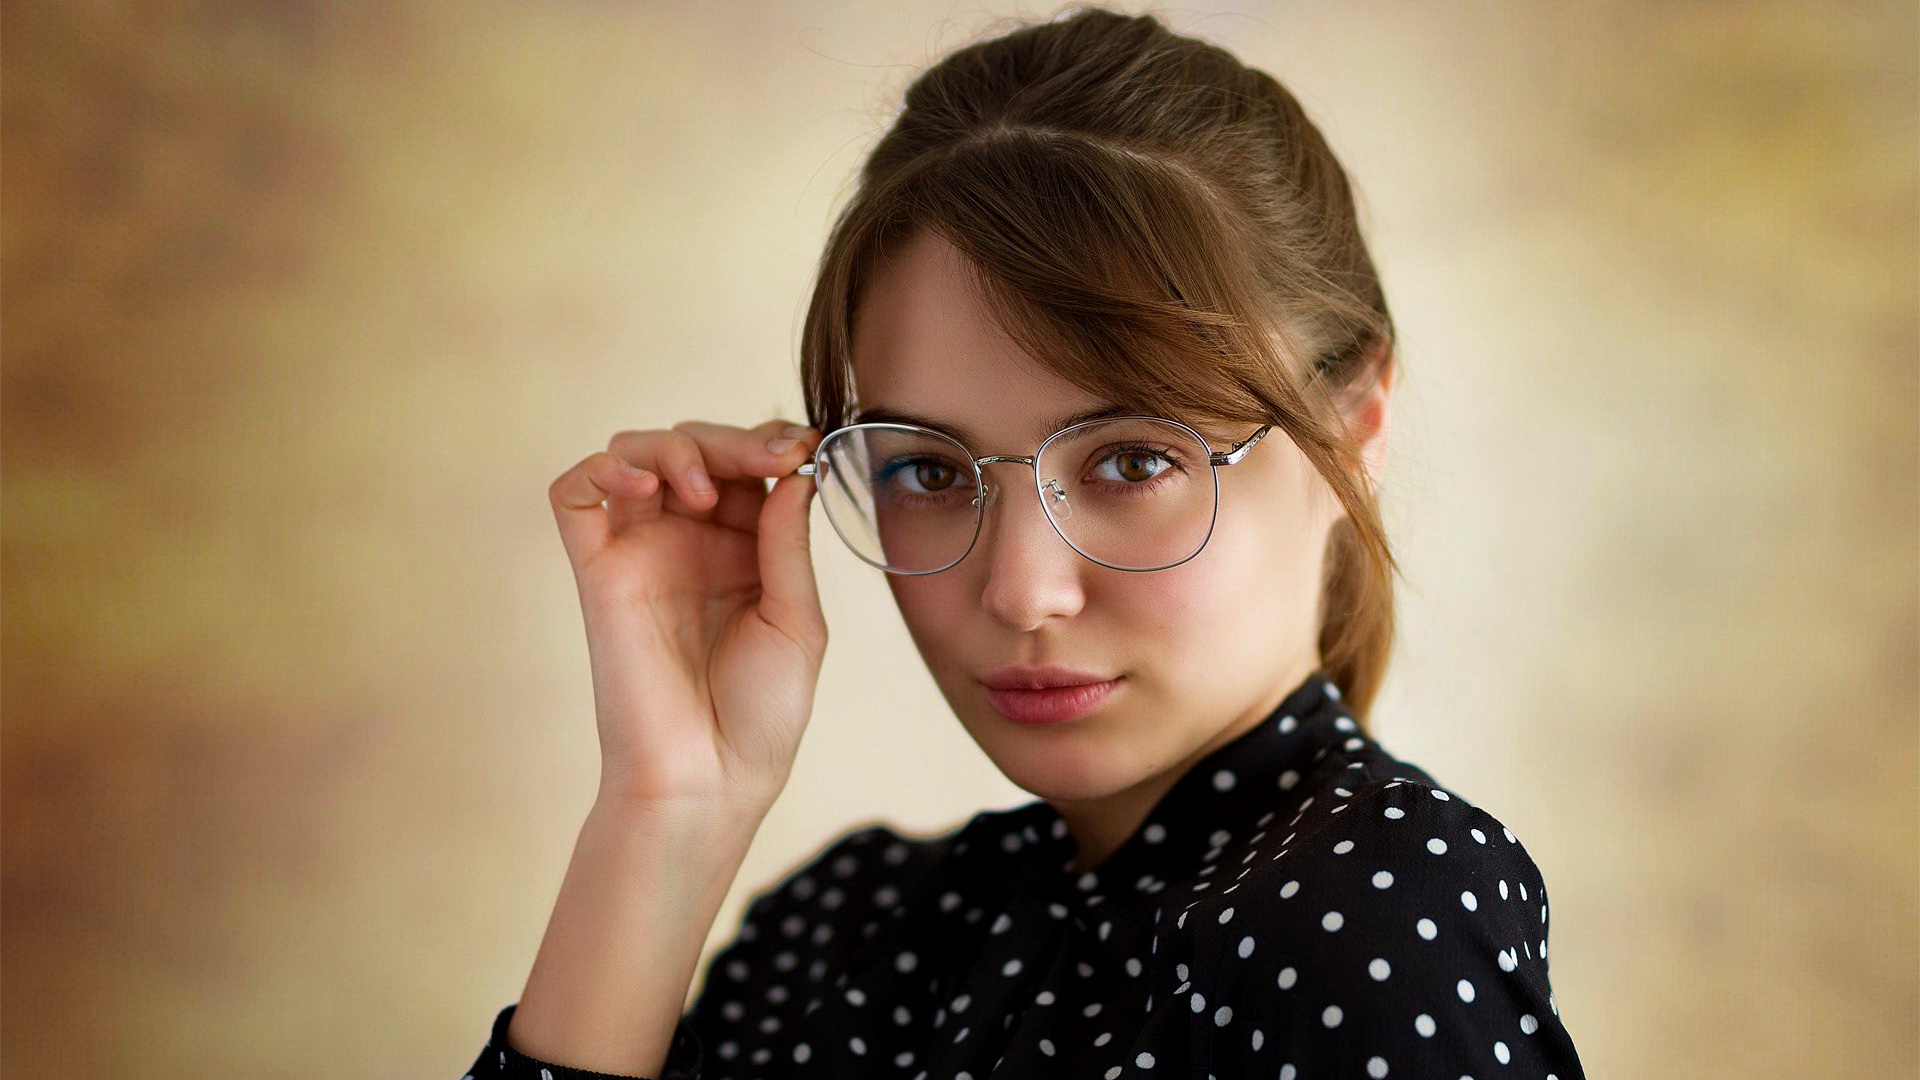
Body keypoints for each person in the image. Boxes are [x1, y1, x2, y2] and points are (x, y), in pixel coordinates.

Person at [462, 6, 1588, 1078]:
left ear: (1355, 426)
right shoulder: (840, 934)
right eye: (930, 472)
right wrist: (669, 806)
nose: (1020, 591)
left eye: (1134, 461)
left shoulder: (1373, 905)